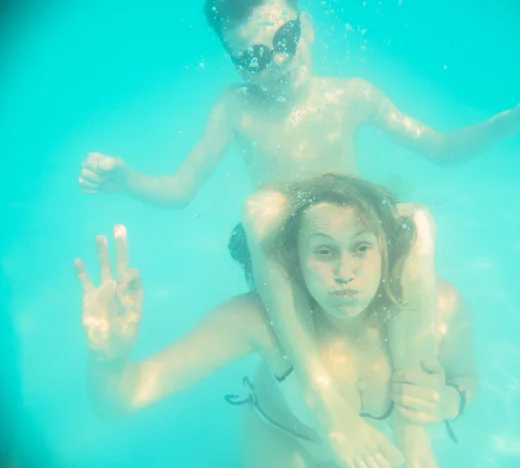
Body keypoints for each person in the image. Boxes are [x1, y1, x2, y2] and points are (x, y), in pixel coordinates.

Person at [77, 0, 520, 464]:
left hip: (339, 240)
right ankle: (315, 386)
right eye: (253, 57)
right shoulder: (237, 108)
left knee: (417, 220)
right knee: (263, 208)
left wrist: (514, 120)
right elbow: (181, 188)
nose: (278, 61)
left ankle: (412, 427)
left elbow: (440, 147)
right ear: (236, 64)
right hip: (286, 264)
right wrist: (128, 181)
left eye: (286, 37)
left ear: (306, 24)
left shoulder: (351, 95)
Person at [75, 174, 478, 468]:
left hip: (380, 452)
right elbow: (120, 399)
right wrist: (109, 359)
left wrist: (447, 401)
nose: (344, 271)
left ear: (386, 250)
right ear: (295, 260)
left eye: (360, 248)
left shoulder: (438, 305)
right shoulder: (256, 319)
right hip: (287, 442)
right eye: (324, 251)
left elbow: (466, 379)